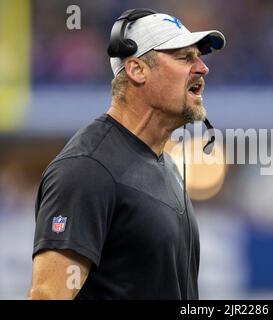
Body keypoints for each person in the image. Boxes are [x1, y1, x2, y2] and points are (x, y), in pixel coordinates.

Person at [28, 9, 225, 300]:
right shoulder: (88, 169)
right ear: (137, 70)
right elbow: (48, 296)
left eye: (199, 57)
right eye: (184, 57)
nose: (202, 68)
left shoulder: (166, 165)